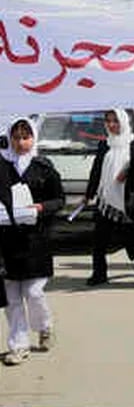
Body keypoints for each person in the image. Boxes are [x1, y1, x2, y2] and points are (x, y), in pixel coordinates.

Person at [0, 118, 63, 366]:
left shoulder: (43, 167)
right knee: (11, 298)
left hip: (36, 241)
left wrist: (41, 207)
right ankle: (18, 345)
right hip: (7, 242)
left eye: (25, 137)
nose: (21, 142)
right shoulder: (2, 167)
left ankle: (44, 326)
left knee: (34, 292)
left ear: (34, 138)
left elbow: (59, 199)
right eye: (16, 137)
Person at [83, 110, 134, 286]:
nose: (111, 125)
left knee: (128, 238)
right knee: (99, 240)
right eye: (108, 121)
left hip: (125, 200)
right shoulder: (104, 144)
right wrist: (89, 194)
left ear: (123, 122)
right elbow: (96, 170)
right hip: (105, 199)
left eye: (115, 121)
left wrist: (127, 172)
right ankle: (99, 274)